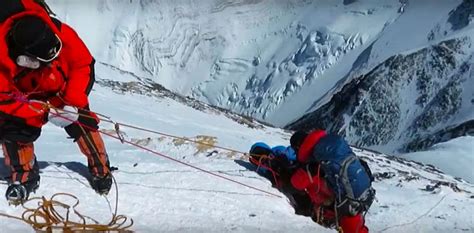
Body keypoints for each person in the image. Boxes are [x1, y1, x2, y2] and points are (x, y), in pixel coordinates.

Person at [0, 0, 112, 204]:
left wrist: (72, 101)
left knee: (82, 120)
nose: (53, 61)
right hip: (25, 99)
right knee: (14, 130)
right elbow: (5, 102)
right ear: (27, 60)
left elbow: (83, 63)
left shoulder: (57, 31)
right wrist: (40, 113)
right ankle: (23, 177)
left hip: (61, 90)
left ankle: (101, 170)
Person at [289, 130, 375, 233]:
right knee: (354, 221)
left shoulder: (314, 160)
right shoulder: (329, 145)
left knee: (350, 224)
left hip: (347, 199)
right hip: (360, 187)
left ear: (299, 146)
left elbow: (297, 183)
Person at [249, 142, 313, 217]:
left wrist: (283, 159)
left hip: (297, 172)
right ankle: (307, 208)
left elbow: (290, 153)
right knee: (291, 188)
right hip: (289, 180)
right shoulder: (263, 168)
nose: (262, 159)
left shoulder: (277, 151)